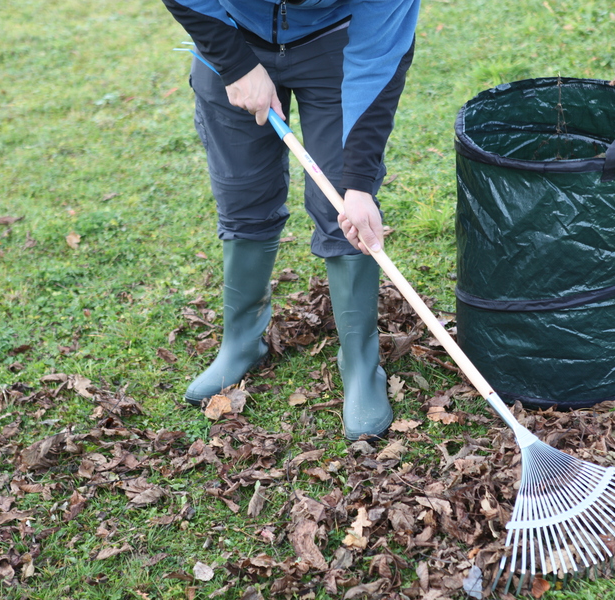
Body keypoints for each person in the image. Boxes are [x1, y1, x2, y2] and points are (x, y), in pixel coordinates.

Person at [161, 0, 421, 440]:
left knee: (339, 204)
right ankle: (241, 342)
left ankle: (360, 366)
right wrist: (236, 62)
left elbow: (378, 57)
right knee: (243, 195)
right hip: (232, 29)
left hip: (334, 43)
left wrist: (357, 186)